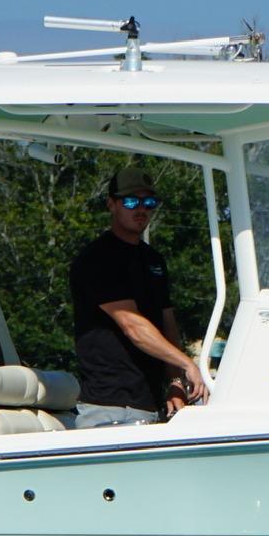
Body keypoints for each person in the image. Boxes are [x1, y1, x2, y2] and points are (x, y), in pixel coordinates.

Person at [69, 164, 210, 427]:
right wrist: (187, 364)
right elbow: (133, 325)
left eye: (149, 202)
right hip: (109, 408)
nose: (141, 209)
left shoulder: (153, 259)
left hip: (149, 405)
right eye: (131, 201)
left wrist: (176, 382)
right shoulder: (98, 259)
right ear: (111, 204)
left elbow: (167, 325)